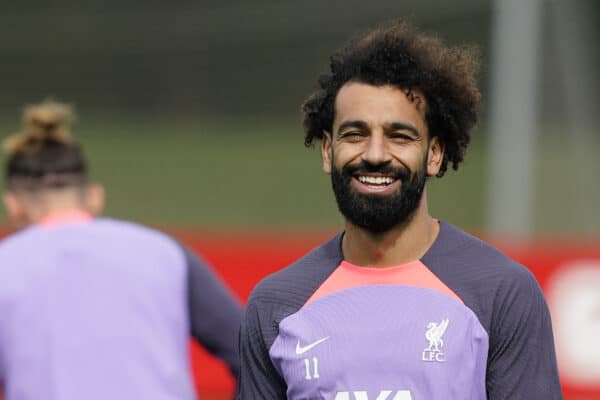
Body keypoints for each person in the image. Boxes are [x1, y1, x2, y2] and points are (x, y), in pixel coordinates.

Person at [237, 21, 562, 399]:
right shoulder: (276, 305)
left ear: (435, 155)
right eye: (355, 134)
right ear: (328, 151)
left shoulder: (502, 295)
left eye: (399, 136)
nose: (375, 154)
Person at [0, 100, 242, 400]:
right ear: (94, 197)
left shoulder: (6, 265)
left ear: (13, 205)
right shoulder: (165, 253)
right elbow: (251, 354)